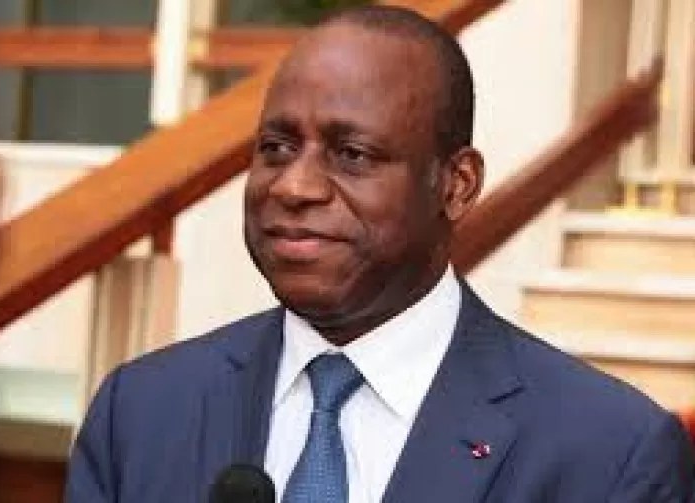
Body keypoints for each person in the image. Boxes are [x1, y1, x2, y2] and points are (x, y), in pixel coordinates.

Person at [66, 5, 695, 502]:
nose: (294, 186)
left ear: (456, 185)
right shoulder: (140, 413)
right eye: (277, 148)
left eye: (352, 155)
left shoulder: (609, 454)